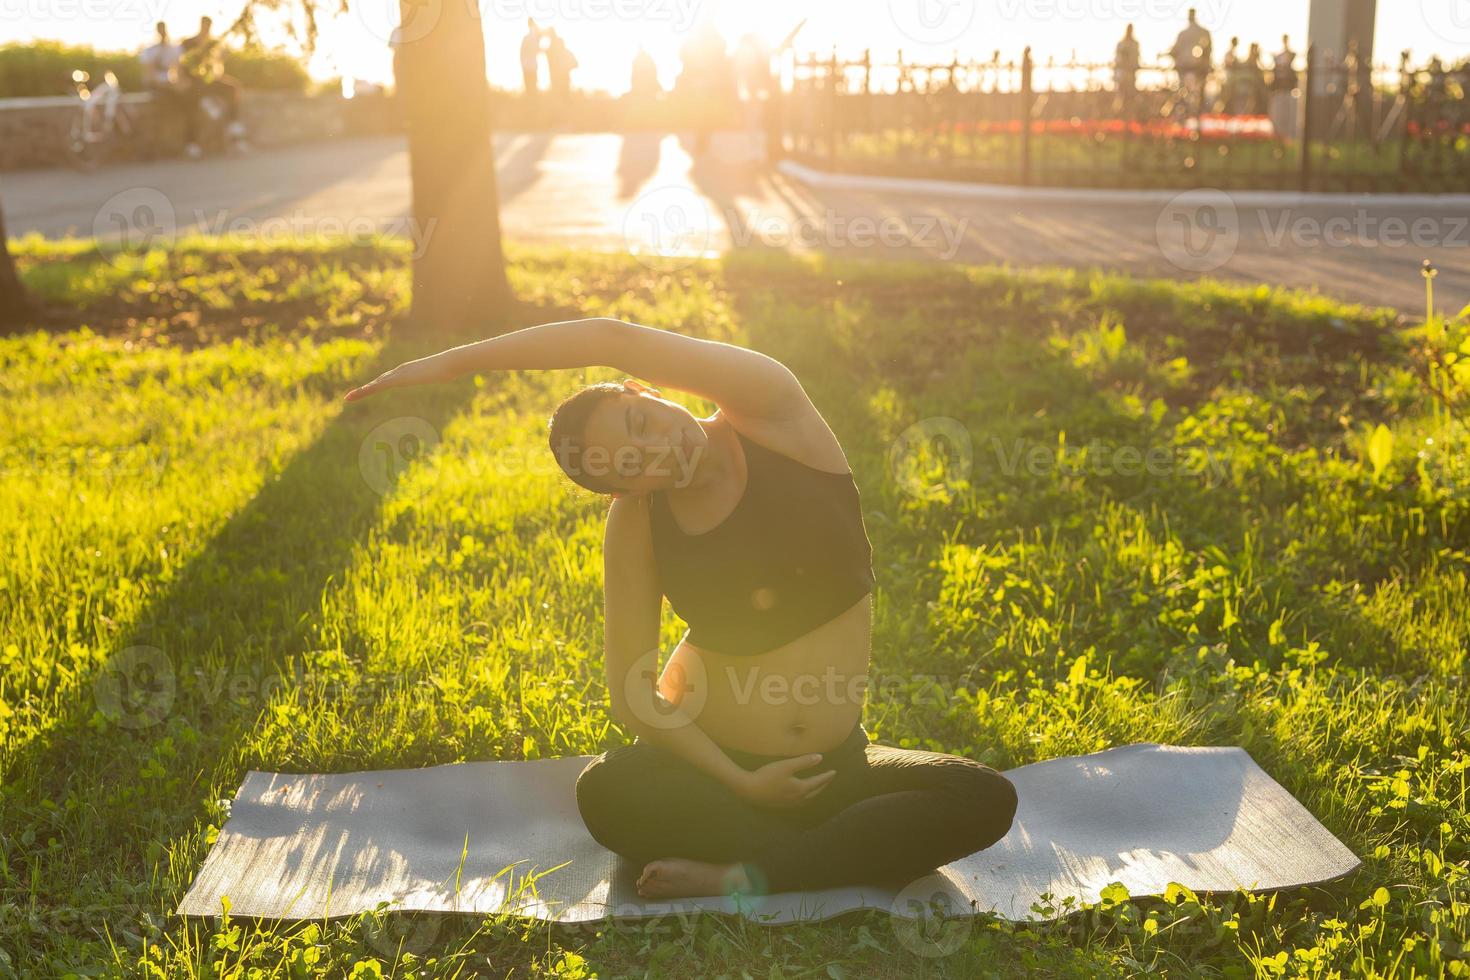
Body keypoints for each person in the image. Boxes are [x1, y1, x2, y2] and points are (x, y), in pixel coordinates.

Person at [340, 318, 1019, 900]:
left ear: (646, 390)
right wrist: (741, 782)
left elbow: (611, 336)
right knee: (607, 794)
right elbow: (631, 691)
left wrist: (447, 363)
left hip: (835, 761)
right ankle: (817, 851)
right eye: (630, 466)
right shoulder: (637, 522)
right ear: (620, 491)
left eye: (641, 424)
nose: (658, 455)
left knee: (984, 800)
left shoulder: (774, 414)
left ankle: (746, 874)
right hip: (716, 768)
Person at [179, 15, 248, 156]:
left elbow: (217, 66)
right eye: (204, 25)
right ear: (201, 25)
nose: (206, 28)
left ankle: (234, 126)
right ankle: (192, 144)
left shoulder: (214, 44)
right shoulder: (188, 43)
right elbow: (181, 64)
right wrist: (182, 81)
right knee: (191, 108)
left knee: (233, 87)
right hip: (193, 83)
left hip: (210, 81)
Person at [139, 21, 194, 148]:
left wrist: (180, 83)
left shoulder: (174, 49)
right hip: (158, 88)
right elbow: (150, 76)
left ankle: (190, 142)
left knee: (190, 100)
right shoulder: (150, 50)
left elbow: (178, 70)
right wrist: (170, 86)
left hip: (171, 86)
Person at [1170, 7, 1213, 112]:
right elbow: (1209, 50)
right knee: (1198, 93)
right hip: (1198, 69)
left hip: (1186, 68)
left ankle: (1183, 110)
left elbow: (1174, 51)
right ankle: (1199, 111)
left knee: (1182, 92)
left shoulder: (1183, 34)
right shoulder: (1204, 32)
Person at [545, 28, 577, 106]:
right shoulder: (551, 50)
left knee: (563, 99)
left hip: (562, 79)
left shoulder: (564, 52)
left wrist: (566, 67)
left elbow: (575, 64)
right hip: (556, 80)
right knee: (561, 99)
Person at [1113, 24, 1141, 116]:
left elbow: (1136, 59)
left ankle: (1130, 113)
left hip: (1131, 74)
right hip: (1122, 75)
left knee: (1130, 96)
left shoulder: (1135, 44)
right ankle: (1119, 114)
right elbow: (1117, 60)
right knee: (1121, 96)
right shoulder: (1121, 44)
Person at [519, 19, 542, 100]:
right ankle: (533, 104)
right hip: (531, 67)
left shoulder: (526, 38)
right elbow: (537, 49)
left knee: (530, 88)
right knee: (532, 87)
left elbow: (522, 53)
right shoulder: (534, 37)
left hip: (527, 66)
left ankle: (531, 103)